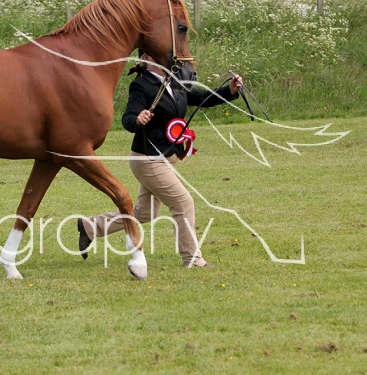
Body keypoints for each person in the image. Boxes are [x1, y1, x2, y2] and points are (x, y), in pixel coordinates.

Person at [77, 50, 243, 268]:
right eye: (159, 54)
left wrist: (229, 90)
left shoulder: (175, 81)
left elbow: (200, 98)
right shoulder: (141, 85)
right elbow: (127, 118)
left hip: (165, 157)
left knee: (145, 213)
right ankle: (192, 259)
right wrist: (138, 119)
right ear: (146, 58)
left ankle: (91, 226)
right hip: (148, 160)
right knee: (183, 203)